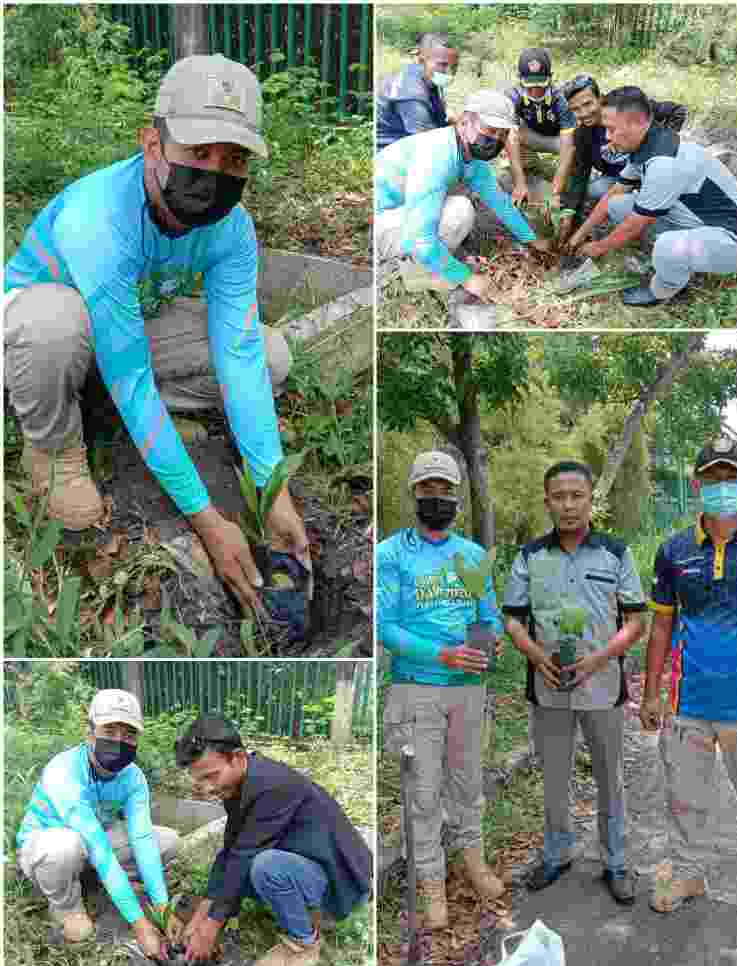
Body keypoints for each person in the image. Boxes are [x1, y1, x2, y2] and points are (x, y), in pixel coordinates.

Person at [4, 54, 310, 615]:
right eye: (198, 152)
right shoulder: (100, 219)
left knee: (269, 356)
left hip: (124, 328)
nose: (215, 172)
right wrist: (207, 519)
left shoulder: (231, 230)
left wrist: (272, 491)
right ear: (153, 145)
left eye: (235, 158)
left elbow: (238, 353)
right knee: (51, 325)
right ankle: (53, 447)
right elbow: (132, 371)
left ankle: (102, 406)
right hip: (44, 335)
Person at [502, 461, 647, 903]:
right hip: (548, 687)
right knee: (555, 778)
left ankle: (616, 861)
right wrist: (536, 655)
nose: (567, 505)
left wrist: (599, 659)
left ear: (589, 500)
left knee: (610, 778)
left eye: (576, 495)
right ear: (547, 502)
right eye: (559, 497)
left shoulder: (615, 554)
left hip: (602, 687)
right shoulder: (530, 556)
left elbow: (636, 621)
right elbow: (513, 620)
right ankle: (558, 853)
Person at [377, 451, 506, 929]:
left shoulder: (472, 556)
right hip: (417, 691)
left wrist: (490, 642)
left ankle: (473, 860)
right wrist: (441, 654)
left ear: (456, 496)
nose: (437, 497)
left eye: (444, 490)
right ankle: (431, 881)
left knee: (468, 783)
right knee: (423, 793)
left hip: (468, 692)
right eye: (427, 489)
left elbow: (487, 615)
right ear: (415, 493)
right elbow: (387, 629)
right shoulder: (391, 554)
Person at [175, 714, 371, 966]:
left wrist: (210, 927)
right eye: (200, 781)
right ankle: (300, 908)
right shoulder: (239, 785)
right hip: (305, 864)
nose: (208, 788)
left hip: (339, 881)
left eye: (212, 776)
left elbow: (244, 857)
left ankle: (305, 944)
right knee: (243, 868)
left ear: (238, 757)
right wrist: (204, 911)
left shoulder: (273, 786)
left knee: (264, 866)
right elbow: (232, 851)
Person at [642, 437, 737, 913]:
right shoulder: (674, 550)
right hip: (689, 702)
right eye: (714, 478)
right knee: (686, 801)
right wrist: (651, 693)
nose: (723, 486)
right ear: (696, 484)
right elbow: (661, 624)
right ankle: (688, 875)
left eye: (732, 477)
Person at [16, 689, 178, 952]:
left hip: (94, 841)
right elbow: (99, 849)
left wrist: (162, 909)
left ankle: (99, 879)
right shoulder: (64, 771)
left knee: (167, 841)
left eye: (129, 734)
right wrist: (140, 924)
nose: (119, 741)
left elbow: (142, 838)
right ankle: (65, 905)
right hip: (48, 845)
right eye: (109, 731)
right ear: (89, 732)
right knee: (63, 847)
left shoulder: (133, 777)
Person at [562, 86, 737, 306]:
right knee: (618, 205)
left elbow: (635, 224)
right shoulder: (647, 143)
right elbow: (613, 193)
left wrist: (598, 247)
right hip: (701, 216)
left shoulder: (664, 165)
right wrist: (579, 235)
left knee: (667, 247)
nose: (608, 138)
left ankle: (662, 291)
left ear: (638, 123)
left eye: (612, 130)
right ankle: (679, 258)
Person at [376, 90, 552, 305]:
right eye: (490, 130)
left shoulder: (471, 157)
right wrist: (466, 278)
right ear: (464, 121)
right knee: (460, 211)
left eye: (503, 134)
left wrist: (531, 239)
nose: (496, 139)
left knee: (459, 204)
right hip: (381, 227)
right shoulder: (437, 157)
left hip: (403, 214)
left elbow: (499, 202)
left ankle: (434, 263)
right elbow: (421, 238)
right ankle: (409, 272)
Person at [558, 74, 688, 242]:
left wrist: (657, 146)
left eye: (588, 104)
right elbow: (580, 175)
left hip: (650, 171)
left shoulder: (625, 109)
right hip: (620, 178)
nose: (584, 113)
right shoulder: (583, 135)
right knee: (595, 190)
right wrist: (569, 213)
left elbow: (677, 111)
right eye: (575, 109)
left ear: (600, 98)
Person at [503, 48, 577, 215]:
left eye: (540, 85)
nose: (535, 91)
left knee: (575, 147)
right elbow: (511, 139)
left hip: (558, 140)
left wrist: (556, 192)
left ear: (550, 78)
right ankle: (532, 168)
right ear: (520, 79)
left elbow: (568, 147)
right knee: (512, 134)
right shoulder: (512, 97)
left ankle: (563, 179)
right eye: (530, 85)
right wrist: (519, 183)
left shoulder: (561, 99)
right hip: (531, 136)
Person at [376, 32, 459, 151]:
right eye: (442, 64)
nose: (449, 72)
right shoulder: (412, 94)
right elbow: (428, 143)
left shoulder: (428, 77)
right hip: (388, 153)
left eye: (454, 66)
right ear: (421, 60)